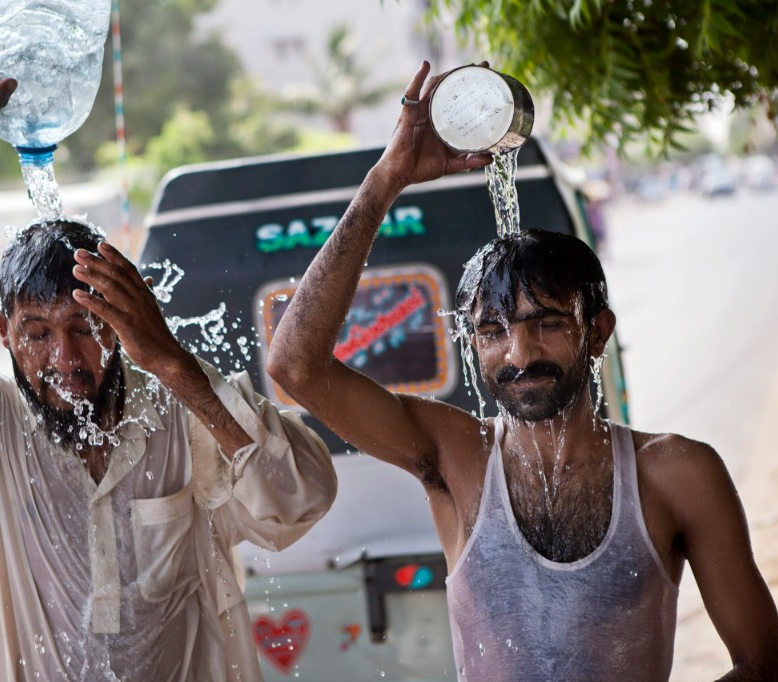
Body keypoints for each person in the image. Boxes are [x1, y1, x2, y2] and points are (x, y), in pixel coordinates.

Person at [0, 70, 337, 682]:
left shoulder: (181, 416)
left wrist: (171, 363)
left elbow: (301, 500)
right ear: (4, 332)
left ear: (124, 321)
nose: (65, 359)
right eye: (37, 334)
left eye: (87, 327)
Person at [267, 61, 778, 680]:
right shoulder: (454, 457)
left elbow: (761, 661)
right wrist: (386, 179)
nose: (519, 353)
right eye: (492, 331)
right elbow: (295, 367)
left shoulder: (675, 473)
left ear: (598, 332)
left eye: (548, 323)